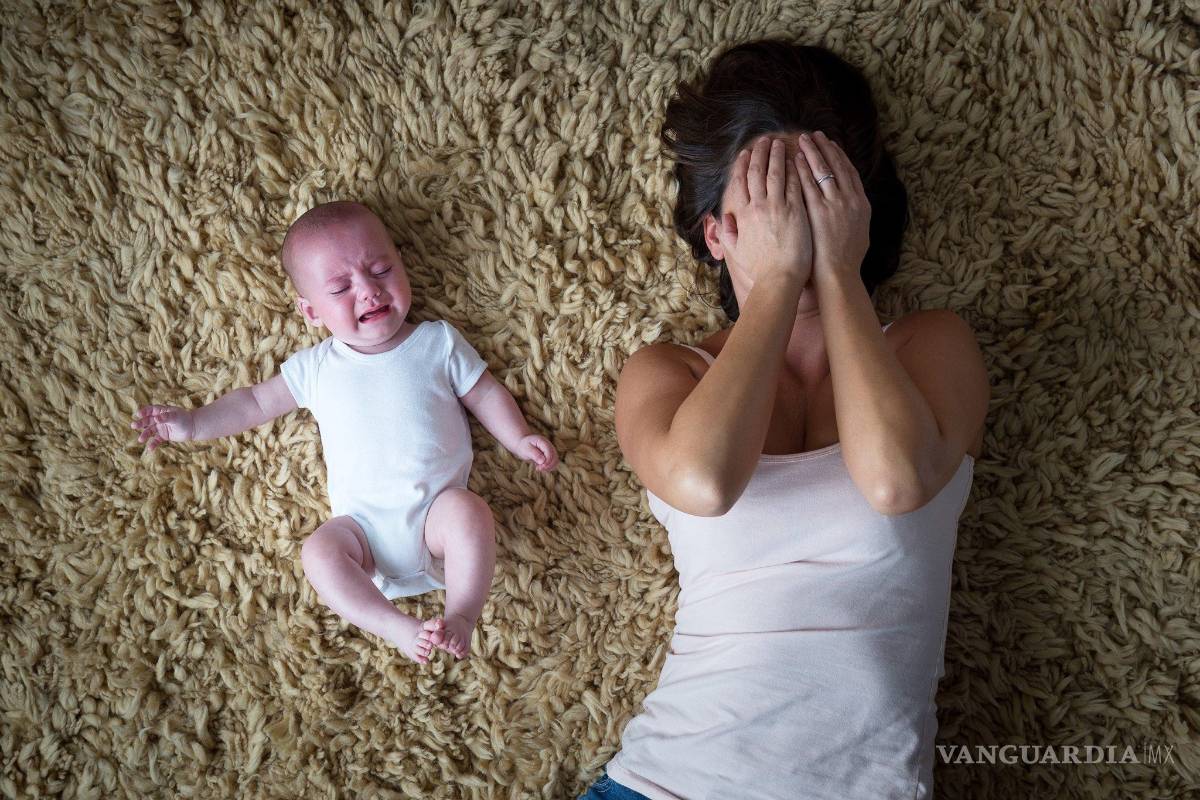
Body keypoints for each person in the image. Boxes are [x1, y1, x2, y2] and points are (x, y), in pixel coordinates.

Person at [582, 41, 989, 799]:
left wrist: (836, 271)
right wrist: (772, 283)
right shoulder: (665, 373)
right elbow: (703, 481)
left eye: (817, 200)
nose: (796, 231)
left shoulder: (932, 346)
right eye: (771, 208)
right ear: (716, 233)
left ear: (858, 211)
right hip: (665, 784)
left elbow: (898, 480)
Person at [130, 201, 558, 664]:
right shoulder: (317, 367)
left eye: (380, 270)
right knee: (318, 552)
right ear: (312, 312)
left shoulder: (436, 342)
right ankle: (393, 626)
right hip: (363, 538)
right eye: (341, 287)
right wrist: (194, 423)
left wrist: (517, 437)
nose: (369, 291)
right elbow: (255, 402)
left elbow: (485, 393)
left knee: (470, 512)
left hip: (437, 520)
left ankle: (461, 616)